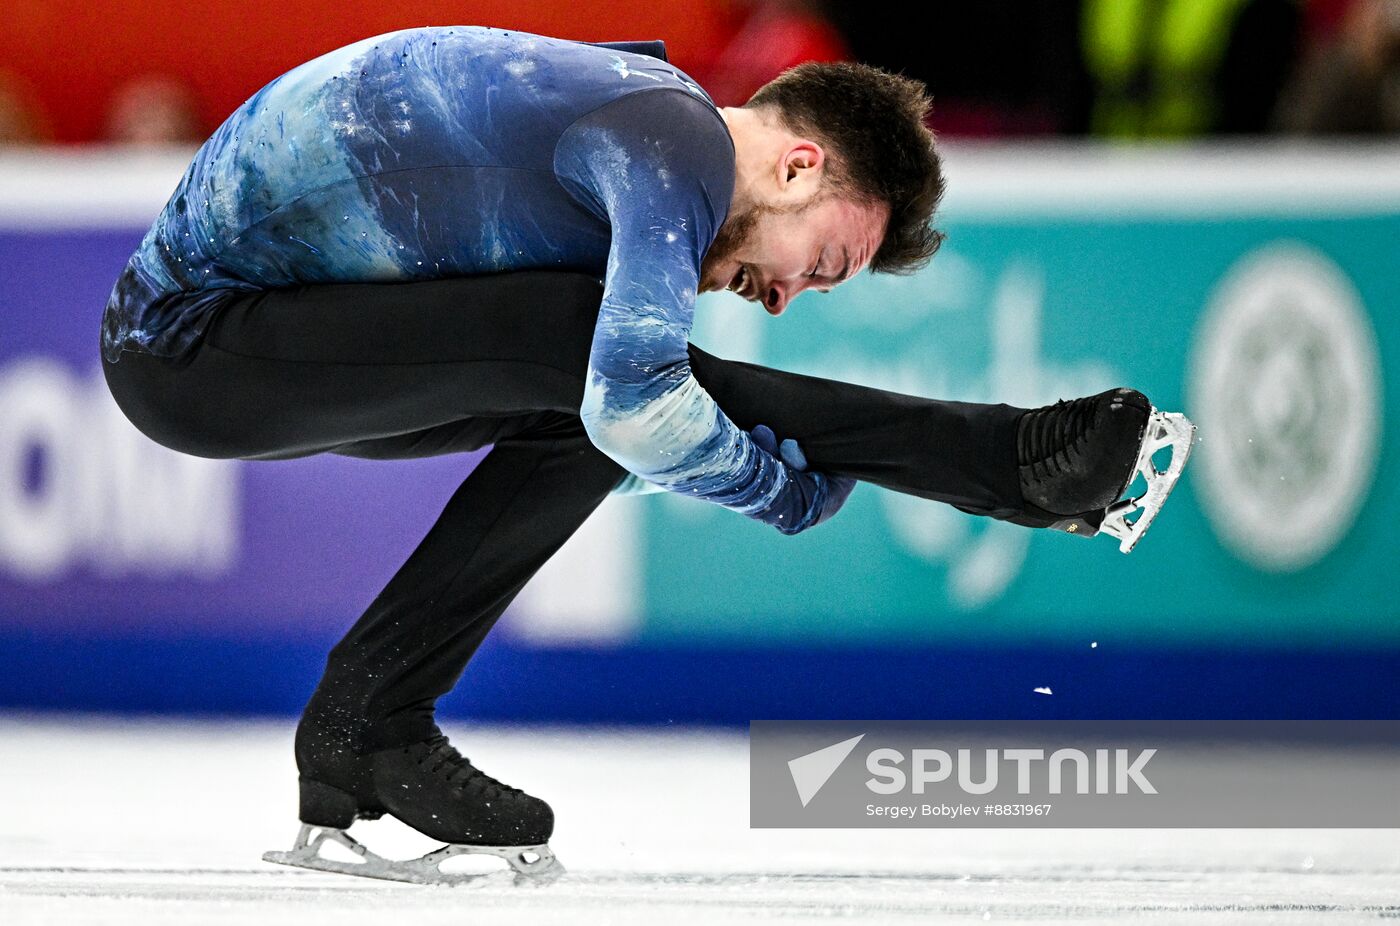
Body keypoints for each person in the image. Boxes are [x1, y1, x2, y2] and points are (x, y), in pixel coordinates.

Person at [98, 26, 1191, 884]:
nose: (784, 299)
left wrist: (772, 466)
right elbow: (637, 408)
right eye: (824, 262)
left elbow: (613, 411)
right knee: (602, 370)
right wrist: (777, 489)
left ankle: (365, 723)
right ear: (800, 164)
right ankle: (1005, 462)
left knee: (583, 389)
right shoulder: (667, 137)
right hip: (194, 341)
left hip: (264, 328)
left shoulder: (647, 114)